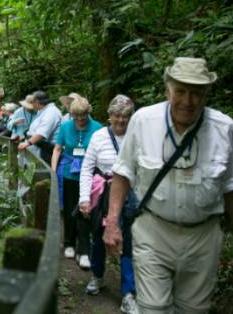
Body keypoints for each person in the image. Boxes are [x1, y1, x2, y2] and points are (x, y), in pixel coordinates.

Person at [105, 57, 233, 313]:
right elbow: (123, 173)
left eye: (196, 93)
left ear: (207, 93)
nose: (188, 101)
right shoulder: (143, 121)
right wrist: (112, 223)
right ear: (168, 90)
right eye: (181, 91)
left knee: (194, 309)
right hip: (153, 231)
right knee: (152, 307)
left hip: (203, 236)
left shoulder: (224, 128)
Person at [79, 94, 137, 313]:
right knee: (99, 240)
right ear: (109, 116)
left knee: (128, 243)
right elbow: (86, 168)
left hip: (130, 195)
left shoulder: (137, 136)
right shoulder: (99, 136)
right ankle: (97, 275)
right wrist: (84, 199)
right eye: (117, 116)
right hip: (104, 196)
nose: (121, 121)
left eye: (125, 116)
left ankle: (128, 293)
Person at [51, 97, 104, 266]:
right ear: (71, 114)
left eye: (83, 115)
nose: (80, 118)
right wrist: (53, 170)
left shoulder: (97, 128)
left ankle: (84, 250)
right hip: (69, 172)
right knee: (69, 208)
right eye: (76, 115)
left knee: (85, 210)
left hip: (90, 174)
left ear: (88, 113)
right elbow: (57, 148)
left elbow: (102, 152)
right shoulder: (65, 126)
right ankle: (68, 243)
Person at [17, 90, 62, 164]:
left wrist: (27, 143)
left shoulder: (51, 112)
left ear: (37, 103)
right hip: (36, 147)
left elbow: (42, 133)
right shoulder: (43, 111)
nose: (31, 105)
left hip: (46, 150)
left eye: (32, 103)